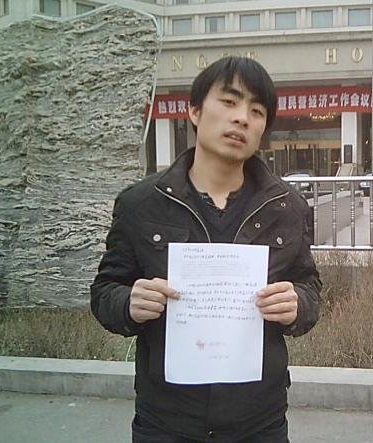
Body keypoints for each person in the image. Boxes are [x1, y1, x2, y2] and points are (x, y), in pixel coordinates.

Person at [90, 56, 321, 443]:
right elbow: (104, 292)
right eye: (229, 102)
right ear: (194, 111)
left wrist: (297, 304)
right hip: (166, 421)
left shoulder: (287, 207)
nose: (242, 118)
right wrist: (128, 302)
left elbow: (310, 287)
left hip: (259, 421)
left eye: (257, 111)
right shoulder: (141, 203)